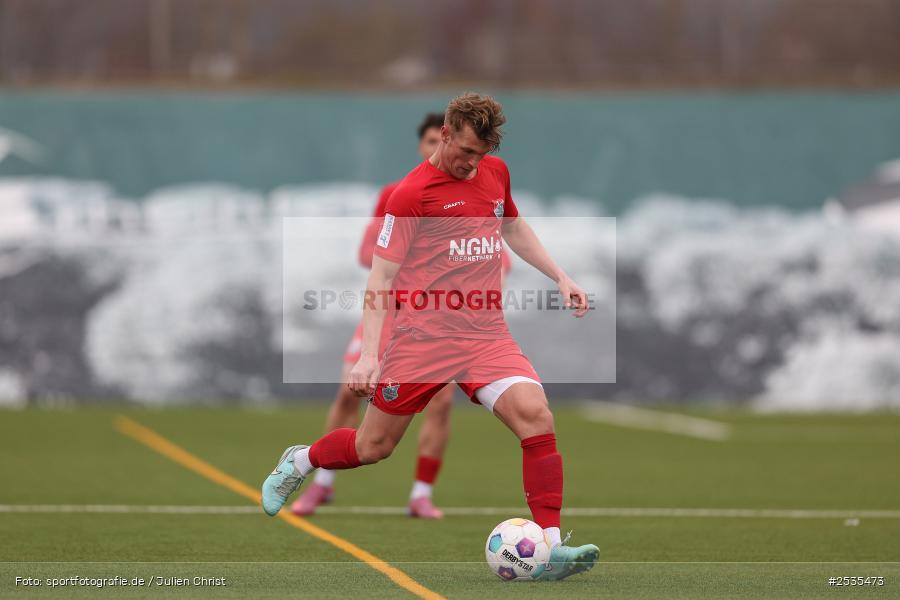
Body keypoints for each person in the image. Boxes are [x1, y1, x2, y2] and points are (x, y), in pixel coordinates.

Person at [263, 93, 599, 581]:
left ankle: (549, 547)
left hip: (486, 336)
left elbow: (513, 226)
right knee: (372, 447)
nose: (472, 164)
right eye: (465, 152)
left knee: (536, 416)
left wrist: (561, 277)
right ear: (444, 135)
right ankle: (300, 461)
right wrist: (369, 357)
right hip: (423, 341)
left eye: (480, 155)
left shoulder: (495, 173)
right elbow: (379, 279)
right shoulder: (411, 196)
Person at [292, 113, 453, 519]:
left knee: (441, 404)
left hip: (436, 321)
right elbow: (368, 253)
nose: (438, 148)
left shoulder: (465, 197)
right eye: (431, 140)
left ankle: (421, 494)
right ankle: (323, 483)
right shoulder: (399, 193)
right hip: (388, 314)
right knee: (349, 390)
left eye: (444, 141)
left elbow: (495, 255)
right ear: (421, 145)